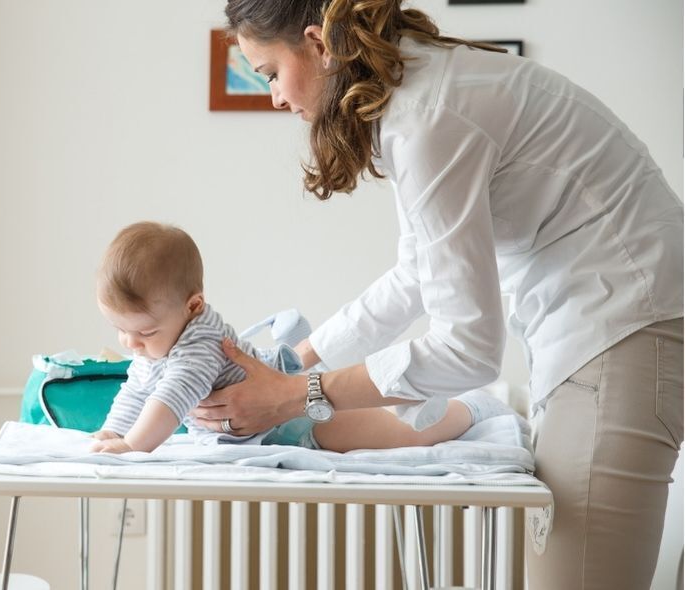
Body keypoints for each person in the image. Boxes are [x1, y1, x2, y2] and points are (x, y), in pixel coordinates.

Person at [188, 1, 683, 588]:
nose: (273, 96)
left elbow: (469, 349)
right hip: (617, 322)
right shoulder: (416, 94)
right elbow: (417, 275)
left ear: (318, 44)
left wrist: (296, 395)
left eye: (269, 72)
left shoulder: (425, 117)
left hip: (625, 324)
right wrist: (291, 362)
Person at [89, 221, 509, 454]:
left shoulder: (197, 347)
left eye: (143, 332)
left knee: (404, 438)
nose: (131, 344)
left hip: (298, 417)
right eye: (120, 331)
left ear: (194, 305)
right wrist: (113, 431)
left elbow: (166, 403)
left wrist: (133, 446)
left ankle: (471, 408)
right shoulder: (161, 340)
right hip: (265, 427)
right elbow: (138, 390)